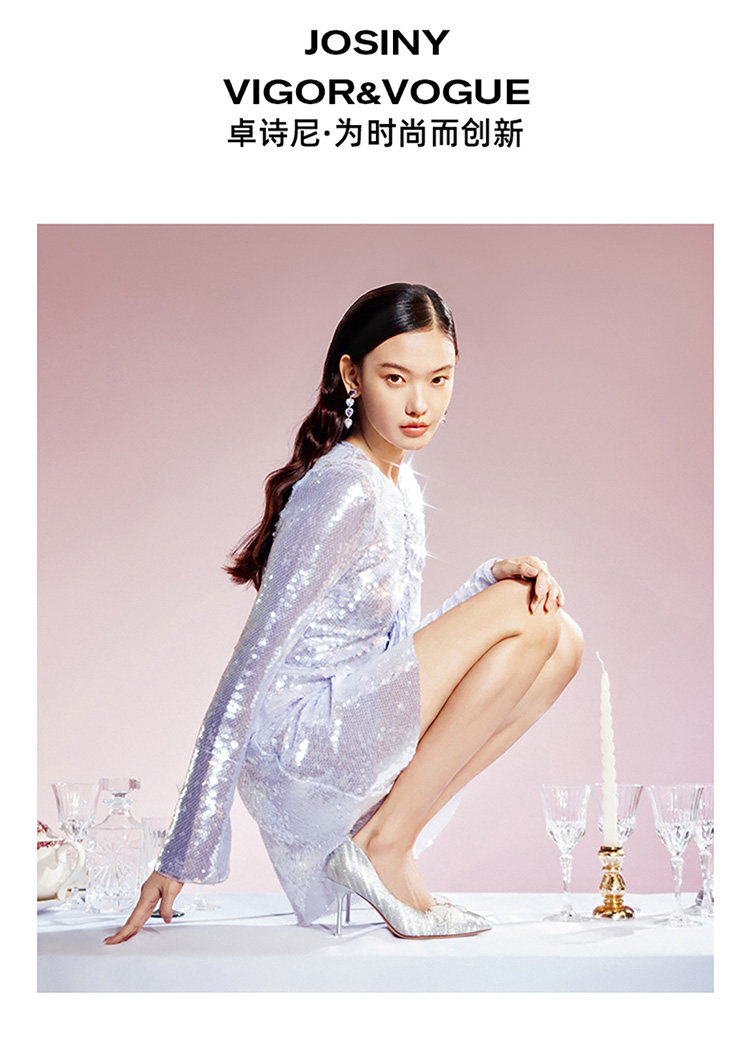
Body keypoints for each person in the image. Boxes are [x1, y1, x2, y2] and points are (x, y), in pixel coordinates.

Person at [104, 282, 583, 943]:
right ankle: (386, 849)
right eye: (396, 378)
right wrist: (181, 850)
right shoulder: (342, 487)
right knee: (526, 613)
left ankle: (387, 838)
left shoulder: (398, 483)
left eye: (439, 379)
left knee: (561, 640)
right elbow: (248, 670)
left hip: (350, 714)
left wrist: (485, 583)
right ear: (352, 374)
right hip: (300, 743)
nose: (420, 404)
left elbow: (391, 653)